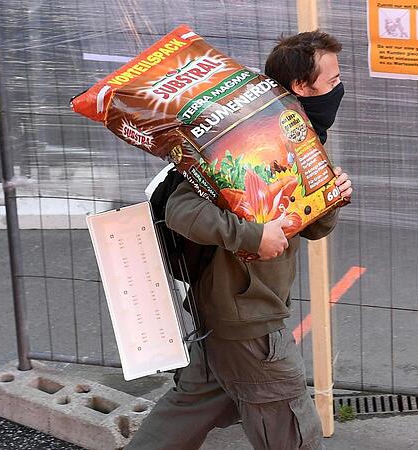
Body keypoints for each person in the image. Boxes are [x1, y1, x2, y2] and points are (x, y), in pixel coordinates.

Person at [126, 30, 352, 450]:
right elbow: (181, 210)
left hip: (230, 314)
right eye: (333, 80)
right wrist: (252, 235)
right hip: (247, 319)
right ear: (301, 87)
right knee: (292, 429)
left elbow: (313, 228)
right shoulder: (240, 141)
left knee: (192, 407)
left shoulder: (303, 139)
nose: (340, 88)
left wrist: (331, 197)